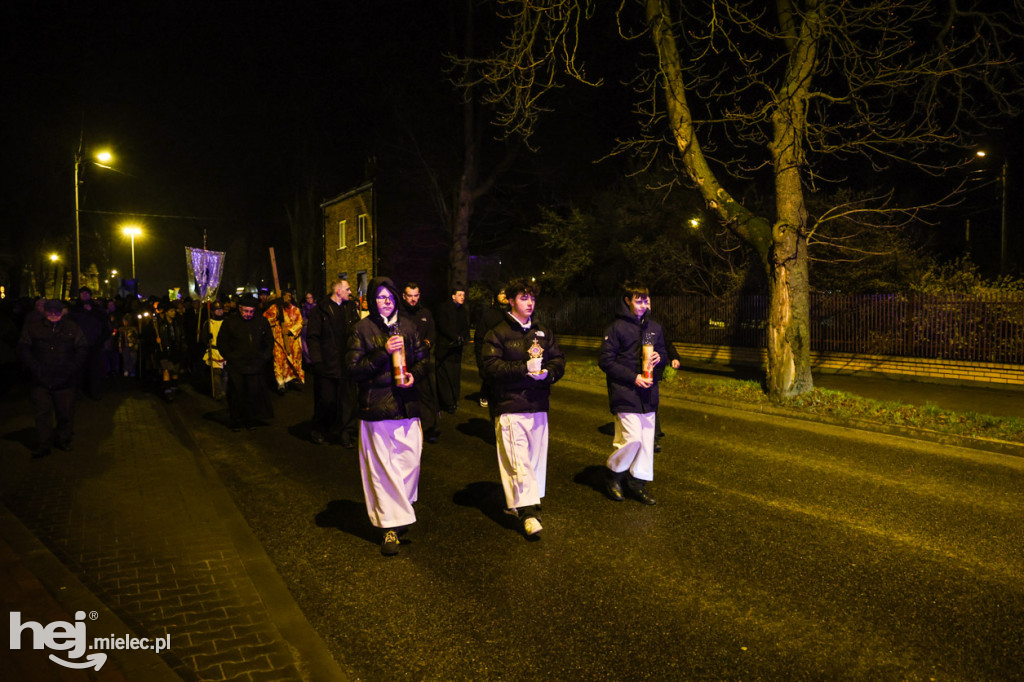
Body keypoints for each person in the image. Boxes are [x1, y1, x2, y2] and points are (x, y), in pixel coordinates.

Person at [346, 277, 428, 556]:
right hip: (377, 408)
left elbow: (424, 360)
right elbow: (354, 369)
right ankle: (389, 529)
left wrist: (413, 375)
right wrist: (384, 352)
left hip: (406, 406)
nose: (386, 301)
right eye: (380, 297)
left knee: (410, 462)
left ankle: (399, 510)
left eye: (390, 295)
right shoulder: (361, 329)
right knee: (382, 471)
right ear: (372, 300)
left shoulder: (409, 326)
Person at [481, 278, 564, 537]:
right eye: (523, 298)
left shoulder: (542, 331)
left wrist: (548, 373)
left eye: (532, 298)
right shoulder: (497, 333)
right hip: (510, 405)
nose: (530, 303)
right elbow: (490, 367)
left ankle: (520, 504)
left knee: (535, 461)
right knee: (519, 461)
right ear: (511, 300)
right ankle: (529, 514)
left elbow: (559, 360)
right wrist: (522, 369)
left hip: (538, 403)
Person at [598, 281, 667, 505]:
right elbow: (605, 361)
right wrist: (632, 377)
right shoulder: (616, 327)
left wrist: (660, 358)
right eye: (638, 300)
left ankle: (637, 484)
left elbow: (664, 353)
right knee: (632, 439)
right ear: (627, 301)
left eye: (645, 300)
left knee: (647, 443)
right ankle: (614, 474)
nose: (642, 305)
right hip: (625, 392)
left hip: (649, 394)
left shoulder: (654, 327)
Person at [18, 299, 88, 458]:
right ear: (45, 312)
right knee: (42, 413)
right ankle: (44, 444)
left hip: (65, 378)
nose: (53, 316)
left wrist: (72, 368)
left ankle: (63, 439)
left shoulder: (72, 328)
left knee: (65, 412)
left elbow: (82, 349)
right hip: (41, 379)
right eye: (50, 312)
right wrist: (36, 368)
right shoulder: (33, 329)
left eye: (56, 312)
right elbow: (24, 349)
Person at [306, 279, 361, 447]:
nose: (350, 292)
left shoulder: (350, 309)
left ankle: (346, 434)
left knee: (348, 401)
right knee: (327, 400)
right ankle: (320, 428)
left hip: (346, 363)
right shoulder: (320, 311)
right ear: (338, 291)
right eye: (348, 289)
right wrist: (317, 361)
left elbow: (357, 331)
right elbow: (313, 337)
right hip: (327, 364)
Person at [217, 295, 274, 431]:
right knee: (237, 394)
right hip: (236, 365)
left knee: (253, 393)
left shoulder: (261, 322)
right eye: (245, 311)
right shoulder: (230, 322)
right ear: (240, 309)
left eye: (251, 312)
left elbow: (269, 341)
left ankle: (251, 419)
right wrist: (230, 356)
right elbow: (222, 342)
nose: (248, 315)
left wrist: (264, 356)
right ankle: (236, 420)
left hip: (255, 365)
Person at [401, 282, 440, 443]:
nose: (413, 299)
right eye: (410, 296)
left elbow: (432, 332)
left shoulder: (425, 312)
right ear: (404, 296)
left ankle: (429, 427)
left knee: (427, 395)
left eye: (416, 295)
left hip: (423, 361)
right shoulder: (399, 314)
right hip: (405, 361)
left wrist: (427, 344)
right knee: (406, 396)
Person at [67, 286, 111, 399]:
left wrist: (101, 340)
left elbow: (105, 324)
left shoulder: (97, 309)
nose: (85, 295)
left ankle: (92, 391)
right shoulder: (75, 309)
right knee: (79, 369)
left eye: (87, 293)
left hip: (95, 344)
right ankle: (80, 391)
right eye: (82, 293)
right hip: (79, 344)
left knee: (94, 370)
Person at [433, 285, 470, 413]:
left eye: (463, 295)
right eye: (459, 295)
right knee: (445, 377)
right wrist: (455, 336)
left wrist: (463, 338)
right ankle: (447, 402)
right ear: (453, 296)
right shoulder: (444, 308)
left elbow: (465, 326)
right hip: (445, 349)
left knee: (455, 376)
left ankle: (453, 400)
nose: (462, 298)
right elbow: (442, 325)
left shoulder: (463, 310)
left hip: (456, 348)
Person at [474, 287, 509, 409]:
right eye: (501, 293)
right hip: (492, 354)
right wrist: (480, 363)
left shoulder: (513, 314)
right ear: (495, 297)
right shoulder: (489, 316)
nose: (504, 296)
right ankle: (484, 395)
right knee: (490, 379)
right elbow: (479, 338)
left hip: (507, 355)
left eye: (506, 293)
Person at [264, 291, 305, 393]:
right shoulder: (274, 308)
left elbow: (300, 322)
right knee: (279, 361)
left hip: (292, 341)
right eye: (286, 296)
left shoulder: (295, 310)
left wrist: (291, 331)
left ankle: (291, 380)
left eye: (289, 296)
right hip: (279, 340)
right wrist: (275, 317)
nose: (288, 298)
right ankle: (280, 383)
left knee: (292, 361)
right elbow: (265, 320)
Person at [200, 301, 228, 400]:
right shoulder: (208, 323)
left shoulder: (226, 321)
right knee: (216, 373)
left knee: (225, 373)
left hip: (225, 350)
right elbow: (203, 339)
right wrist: (207, 337)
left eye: (221, 309)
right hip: (215, 350)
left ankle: (224, 390)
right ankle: (218, 392)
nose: (220, 311)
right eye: (217, 310)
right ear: (212, 312)